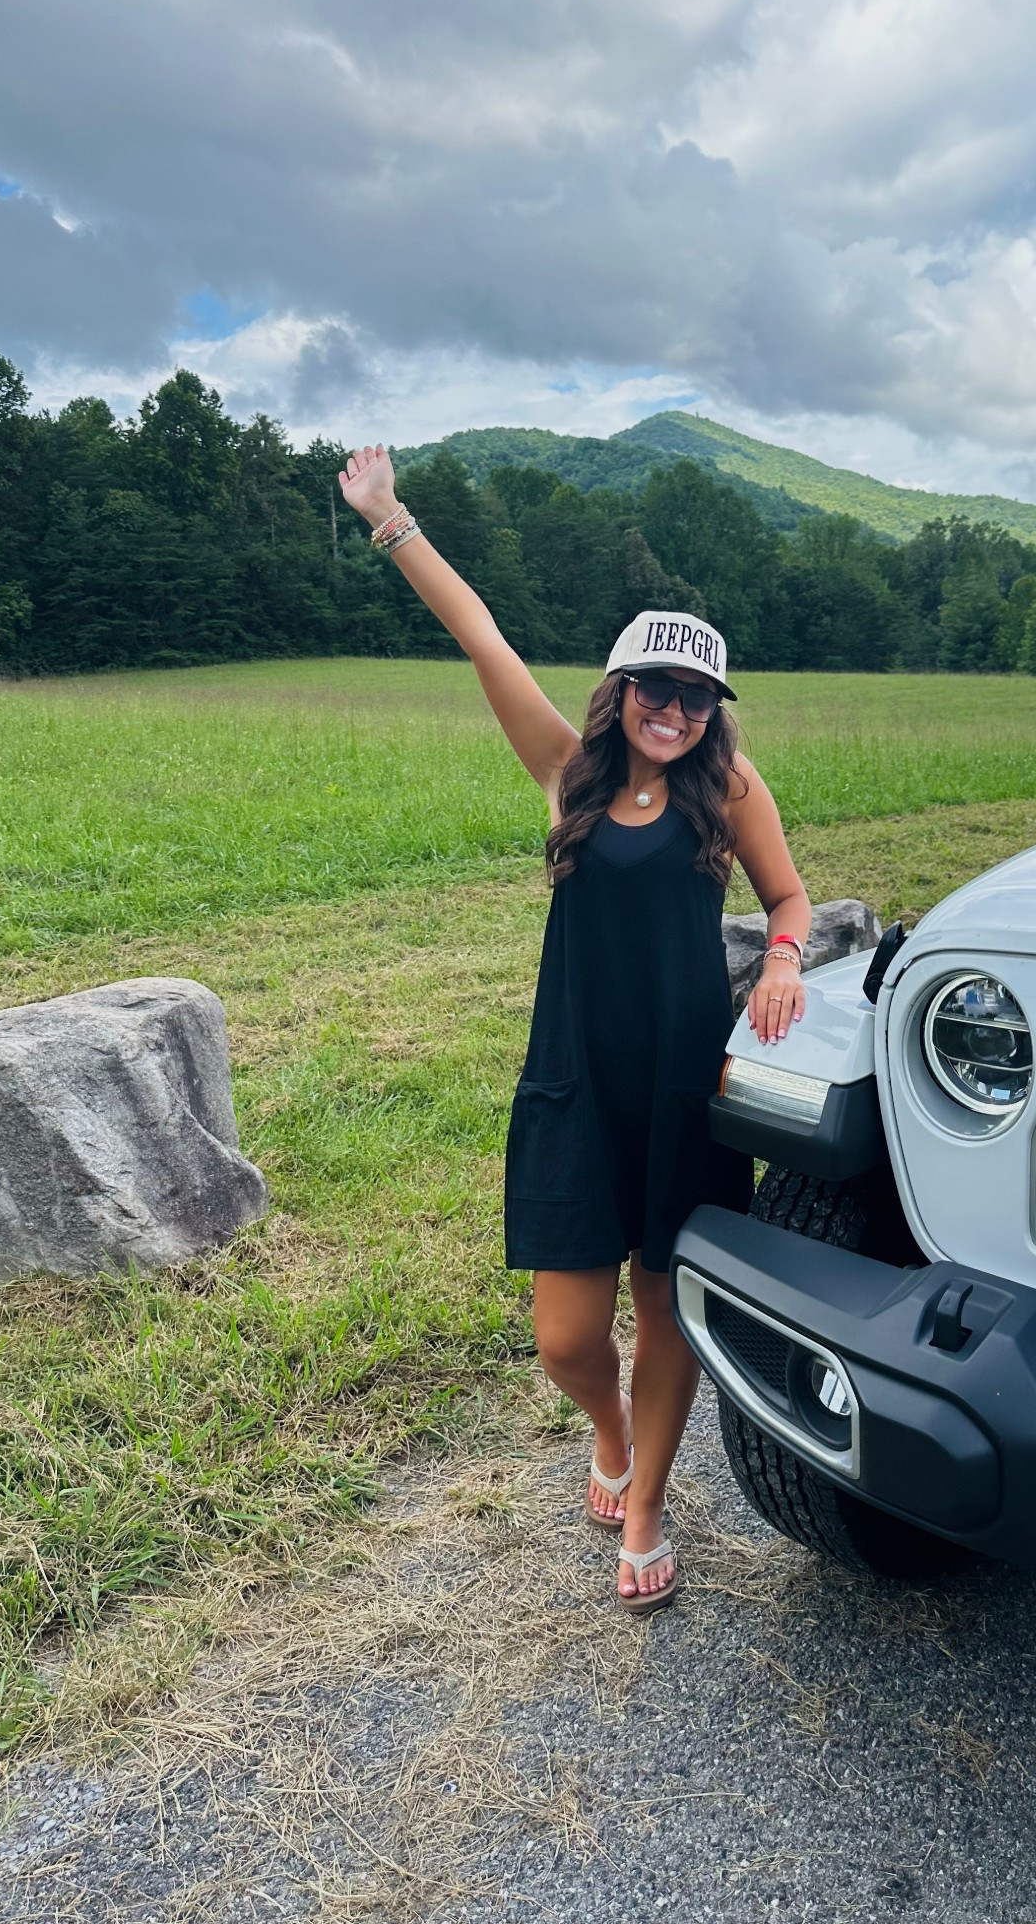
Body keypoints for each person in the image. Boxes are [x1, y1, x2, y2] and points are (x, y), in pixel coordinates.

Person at [337, 446, 812, 1613]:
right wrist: (392, 520)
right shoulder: (569, 774)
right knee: (564, 1336)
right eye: (658, 687)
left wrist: (783, 957)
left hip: (684, 1087)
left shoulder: (730, 786)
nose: (676, 710)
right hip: (576, 1081)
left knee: (666, 1307)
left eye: (697, 697)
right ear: (620, 687)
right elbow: (484, 636)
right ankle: (608, 1427)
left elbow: (789, 897)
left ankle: (646, 1500)